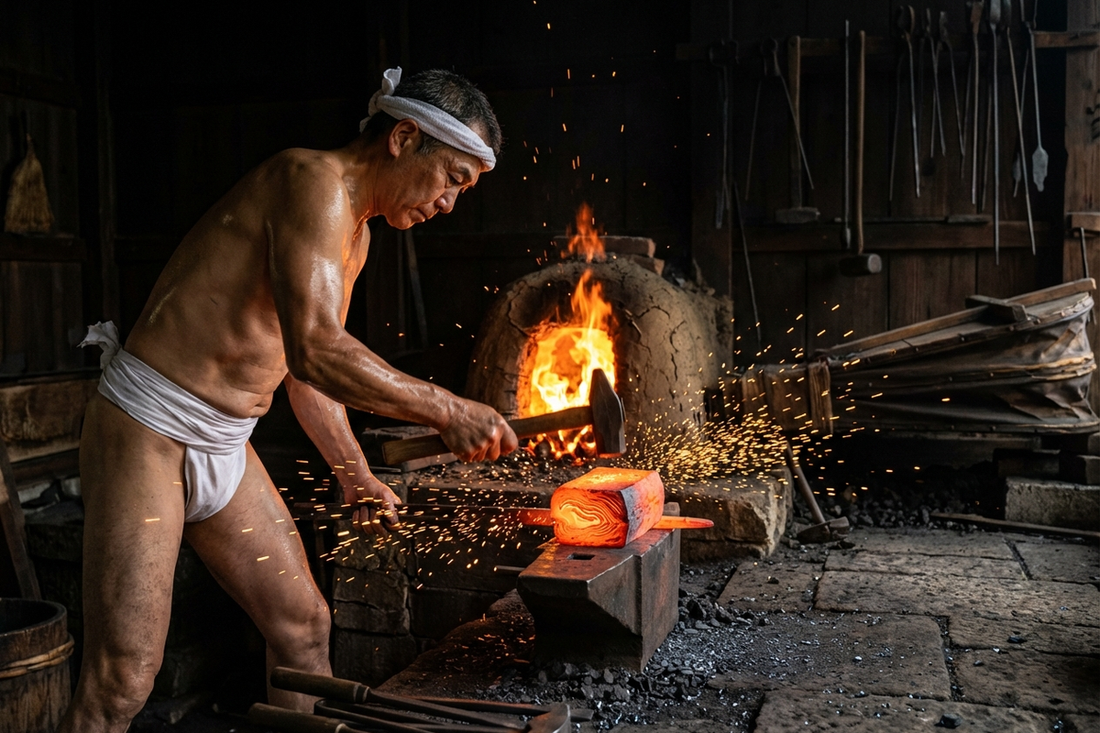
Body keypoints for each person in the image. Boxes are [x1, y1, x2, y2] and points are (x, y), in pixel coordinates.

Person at [58, 67, 518, 732]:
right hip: (149, 425)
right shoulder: (311, 182)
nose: (449, 204)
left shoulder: (356, 233)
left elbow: (306, 376)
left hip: (224, 441)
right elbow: (317, 349)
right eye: (453, 179)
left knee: (303, 628)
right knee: (122, 678)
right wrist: (448, 408)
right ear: (404, 137)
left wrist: (353, 472)